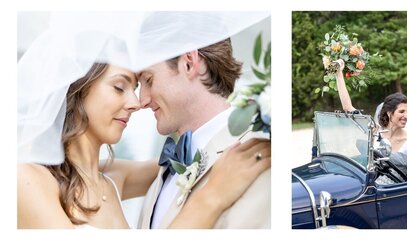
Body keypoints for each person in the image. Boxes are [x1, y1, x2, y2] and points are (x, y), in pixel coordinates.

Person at [17, 63, 269, 228]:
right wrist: (211, 197)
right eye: (119, 87)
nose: (136, 102)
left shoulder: (115, 178)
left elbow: (198, 153)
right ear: (77, 88)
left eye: (136, 87)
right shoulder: (26, 179)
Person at [137, 38, 272, 229]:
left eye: (149, 80)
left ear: (189, 63)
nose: (142, 100)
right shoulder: (161, 177)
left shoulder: (260, 157)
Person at [330, 59, 407, 180]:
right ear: (389, 113)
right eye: (401, 111)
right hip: (370, 188)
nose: (406, 115)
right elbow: (348, 107)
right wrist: (338, 74)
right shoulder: (375, 130)